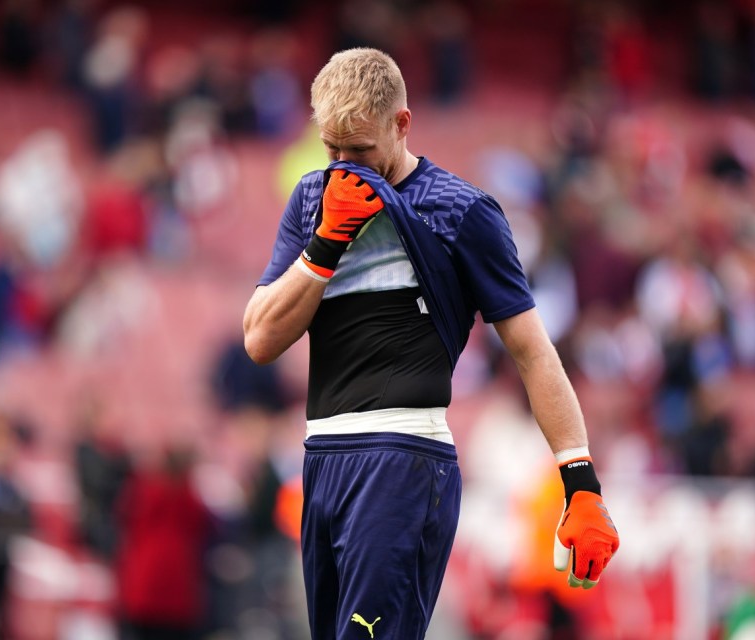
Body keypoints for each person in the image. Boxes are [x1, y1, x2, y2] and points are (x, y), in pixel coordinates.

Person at [243, 47, 620, 640]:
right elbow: (260, 339)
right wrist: (324, 246)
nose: (345, 166)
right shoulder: (312, 200)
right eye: (332, 150)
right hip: (321, 456)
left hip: (402, 456)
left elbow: (531, 349)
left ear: (402, 124)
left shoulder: (462, 211)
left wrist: (581, 483)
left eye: (361, 152)